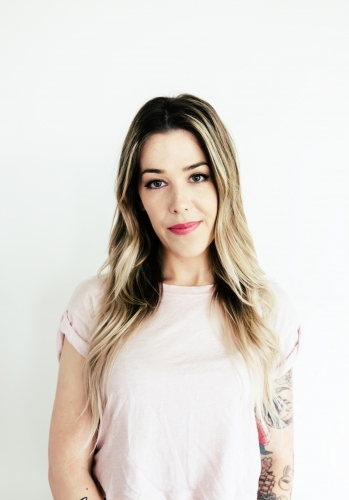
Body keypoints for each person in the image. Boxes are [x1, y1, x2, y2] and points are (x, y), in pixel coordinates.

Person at [48, 94, 301, 500]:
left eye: (196, 176)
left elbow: (277, 462)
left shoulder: (267, 311)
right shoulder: (98, 307)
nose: (179, 203)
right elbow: (66, 467)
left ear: (223, 181)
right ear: (138, 198)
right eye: (157, 182)